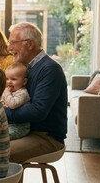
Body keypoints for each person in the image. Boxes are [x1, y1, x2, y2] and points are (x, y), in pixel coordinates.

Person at [6, 22, 67, 163]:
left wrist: (1, 112)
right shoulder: (27, 68)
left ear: (30, 44)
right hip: (28, 132)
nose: (9, 48)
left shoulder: (49, 69)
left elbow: (37, 111)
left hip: (46, 138)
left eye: (13, 43)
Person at [0, 62, 30, 140]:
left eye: (13, 79)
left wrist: (7, 93)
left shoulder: (23, 93)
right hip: (7, 124)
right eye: (7, 79)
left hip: (18, 127)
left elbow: (12, 105)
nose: (9, 82)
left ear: (24, 82)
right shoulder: (7, 91)